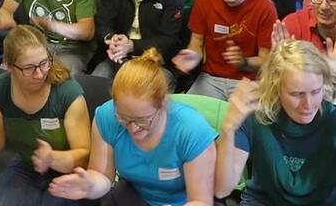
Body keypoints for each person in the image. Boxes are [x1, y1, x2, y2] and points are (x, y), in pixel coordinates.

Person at [0, 25, 91, 206]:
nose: (39, 74)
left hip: (67, 172)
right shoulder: (0, 89)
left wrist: (52, 158)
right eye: (28, 68)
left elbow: (84, 157)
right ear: (9, 66)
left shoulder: (67, 92)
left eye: (44, 63)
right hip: (26, 166)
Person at [48, 48, 217, 206]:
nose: (133, 128)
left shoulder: (192, 129)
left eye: (143, 120)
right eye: (124, 118)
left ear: (163, 104)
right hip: (134, 196)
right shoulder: (107, 116)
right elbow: (103, 177)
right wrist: (89, 186)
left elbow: (200, 200)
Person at [214, 40, 336, 205]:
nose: (308, 104)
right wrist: (228, 129)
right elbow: (222, 189)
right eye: (296, 94)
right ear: (276, 89)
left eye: (315, 92)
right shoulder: (254, 116)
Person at [173, 0, 277, 100]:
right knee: (188, 115)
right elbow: (196, 44)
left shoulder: (265, 8)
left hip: (249, 82)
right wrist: (192, 57)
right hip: (211, 78)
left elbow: (266, 59)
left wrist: (244, 62)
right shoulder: (205, 0)